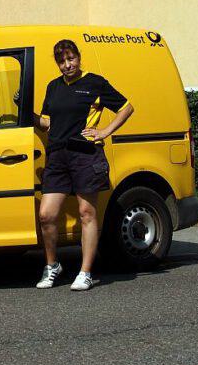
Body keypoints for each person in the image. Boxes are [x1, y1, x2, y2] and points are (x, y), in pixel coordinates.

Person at [32, 39, 134, 291]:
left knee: (87, 213)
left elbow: (126, 108)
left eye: (71, 59)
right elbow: (47, 124)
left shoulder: (94, 82)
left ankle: (85, 272)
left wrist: (105, 131)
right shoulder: (53, 86)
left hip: (85, 156)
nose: (67, 65)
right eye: (62, 61)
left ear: (78, 57)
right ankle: (52, 266)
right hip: (57, 157)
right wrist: (25, 111)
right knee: (46, 215)